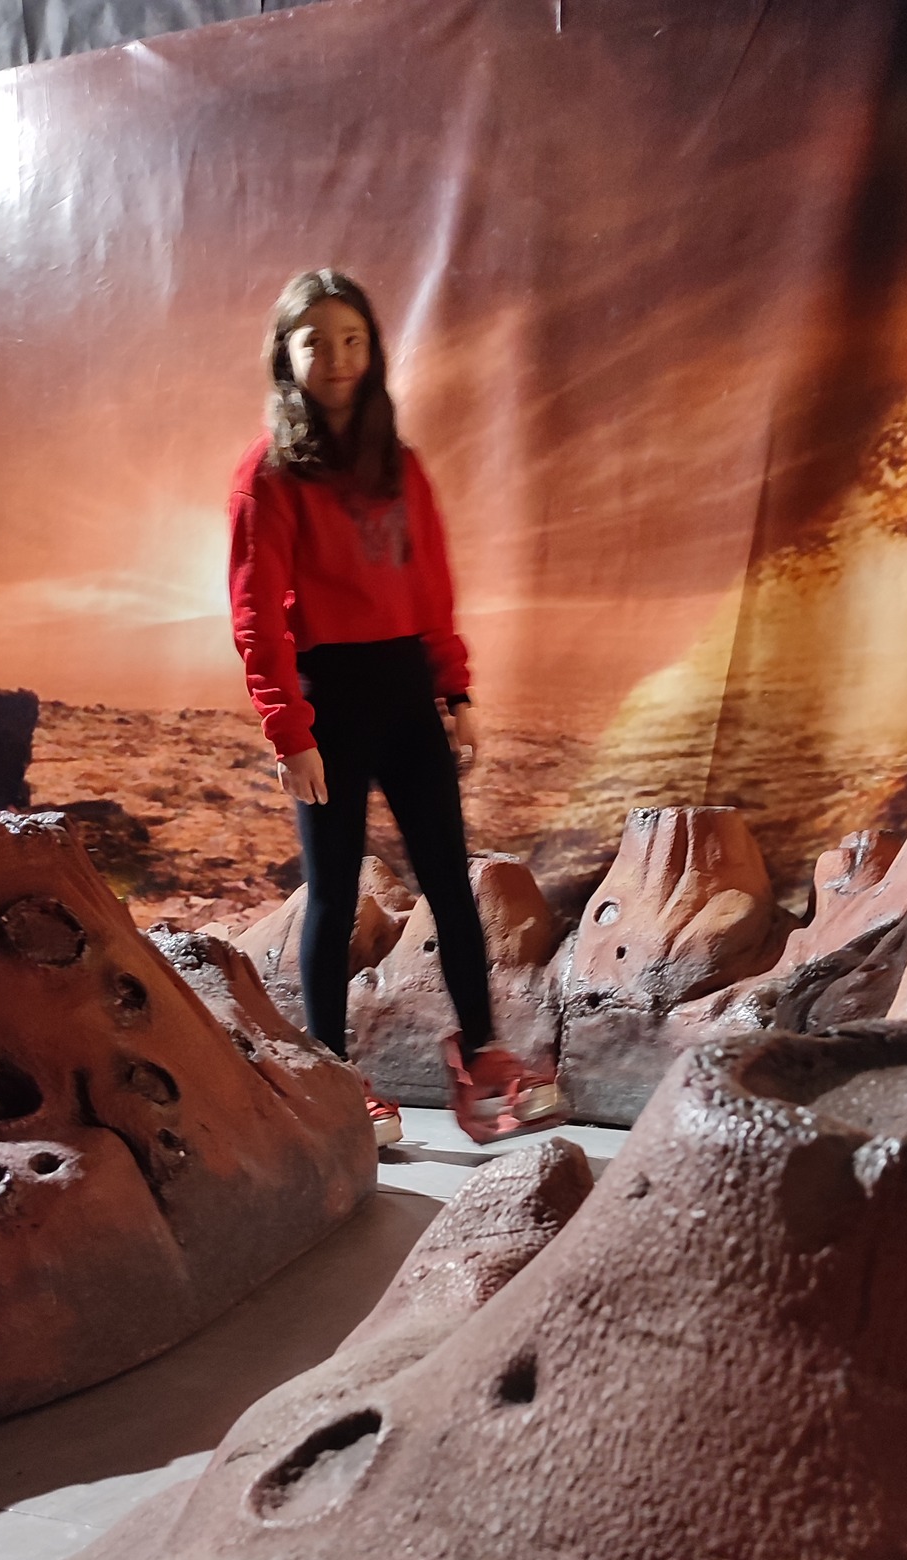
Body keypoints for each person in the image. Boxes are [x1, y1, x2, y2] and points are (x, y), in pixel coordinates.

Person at [228, 267, 563, 1147]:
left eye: (352, 339)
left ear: (372, 351)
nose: (337, 357)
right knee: (333, 895)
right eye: (315, 342)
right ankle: (335, 1083)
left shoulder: (399, 465)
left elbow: (430, 586)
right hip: (327, 703)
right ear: (286, 355)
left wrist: (456, 689)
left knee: (450, 883)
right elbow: (257, 616)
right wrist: (289, 732)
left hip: (407, 694)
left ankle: (483, 1061)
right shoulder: (266, 475)